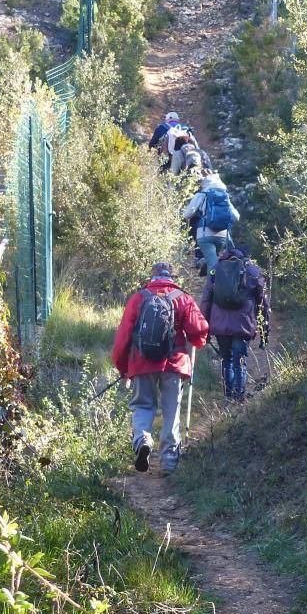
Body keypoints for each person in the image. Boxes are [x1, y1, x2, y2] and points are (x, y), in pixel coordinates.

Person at [112, 262, 209, 473]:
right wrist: (196, 340)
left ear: (152, 276)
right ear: (172, 277)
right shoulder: (182, 297)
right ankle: (169, 461)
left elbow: (123, 337)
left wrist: (122, 367)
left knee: (143, 406)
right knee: (171, 411)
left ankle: (143, 441)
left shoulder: (139, 297)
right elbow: (200, 329)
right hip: (174, 363)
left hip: (141, 362)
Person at [201, 247, 270, 402]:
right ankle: (239, 397)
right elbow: (263, 304)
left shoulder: (215, 270)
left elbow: (206, 301)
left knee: (227, 360)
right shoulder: (252, 271)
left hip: (219, 326)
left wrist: (204, 329)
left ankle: (228, 397)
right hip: (243, 325)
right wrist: (265, 331)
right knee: (240, 361)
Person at [182, 173, 239, 272]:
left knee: (213, 266)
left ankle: (212, 284)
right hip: (222, 236)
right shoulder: (225, 197)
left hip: (205, 235)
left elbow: (187, 214)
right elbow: (236, 217)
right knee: (213, 260)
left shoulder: (202, 195)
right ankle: (208, 269)